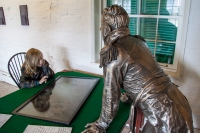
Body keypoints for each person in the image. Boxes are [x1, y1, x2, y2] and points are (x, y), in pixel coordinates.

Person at [82, 5, 193, 133]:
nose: (101, 28)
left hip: (161, 110)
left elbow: (111, 96)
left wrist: (101, 125)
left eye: (102, 24)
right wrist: (131, 96)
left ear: (108, 28)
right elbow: (142, 76)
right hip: (175, 97)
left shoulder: (114, 53)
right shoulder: (139, 41)